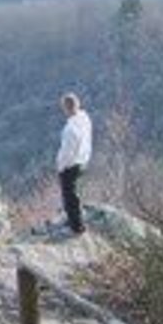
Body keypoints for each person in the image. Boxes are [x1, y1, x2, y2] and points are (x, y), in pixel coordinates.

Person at [56, 92, 93, 235]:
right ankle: (75, 219)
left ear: (66, 108)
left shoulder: (70, 129)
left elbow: (67, 152)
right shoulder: (84, 118)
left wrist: (61, 166)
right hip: (83, 160)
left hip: (71, 165)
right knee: (75, 194)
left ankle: (76, 227)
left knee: (69, 196)